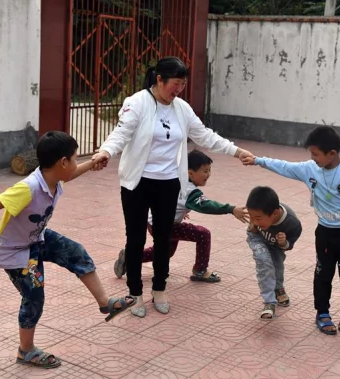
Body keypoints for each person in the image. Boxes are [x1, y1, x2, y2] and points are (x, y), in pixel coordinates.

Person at [0, 131, 134, 369]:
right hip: (17, 253)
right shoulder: (28, 187)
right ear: (62, 162)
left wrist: (91, 163)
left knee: (76, 252)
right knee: (34, 297)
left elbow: (71, 174)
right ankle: (25, 351)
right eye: (75, 158)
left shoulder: (53, 177)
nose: (76, 162)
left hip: (36, 238)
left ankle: (105, 303)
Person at [91, 56, 253, 318]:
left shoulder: (182, 109)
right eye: (175, 84)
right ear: (159, 80)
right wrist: (106, 152)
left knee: (164, 238)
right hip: (137, 183)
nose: (178, 90)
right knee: (135, 239)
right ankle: (135, 292)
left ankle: (160, 288)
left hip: (168, 184)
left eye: (182, 85)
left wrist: (236, 151)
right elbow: (120, 133)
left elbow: (205, 136)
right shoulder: (137, 103)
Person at [241, 126, 340, 334]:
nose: (313, 158)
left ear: (332, 154)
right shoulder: (310, 169)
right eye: (311, 153)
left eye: (316, 154)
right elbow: (285, 167)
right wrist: (258, 161)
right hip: (325, 234)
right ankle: (322, 313)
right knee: (323, 274)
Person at [114, 149, 249, 283]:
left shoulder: (175, 178)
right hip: (165, 225)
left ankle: (130, 256)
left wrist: (178, 211)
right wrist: (231, 209)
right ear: (190, 173)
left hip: (155, 221)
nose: (208, 174)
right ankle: (200, 271)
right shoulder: (189, 190)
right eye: (205, 171)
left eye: (209, 170)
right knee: (203, 234)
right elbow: (205, 205)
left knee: (166, 251)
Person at [245, 186, 302, 320]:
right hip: (257, 238)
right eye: (251, 217)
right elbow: (254, 225)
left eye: (258, 218)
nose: (254, 221)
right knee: (264, 264)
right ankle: (269, 302)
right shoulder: (258, 215)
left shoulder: (292, 224)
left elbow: (289, 245)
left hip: (277, 245)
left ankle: (278, 288)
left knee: (277, 264)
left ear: (275, 213)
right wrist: (253, 226)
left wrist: (283, 243)